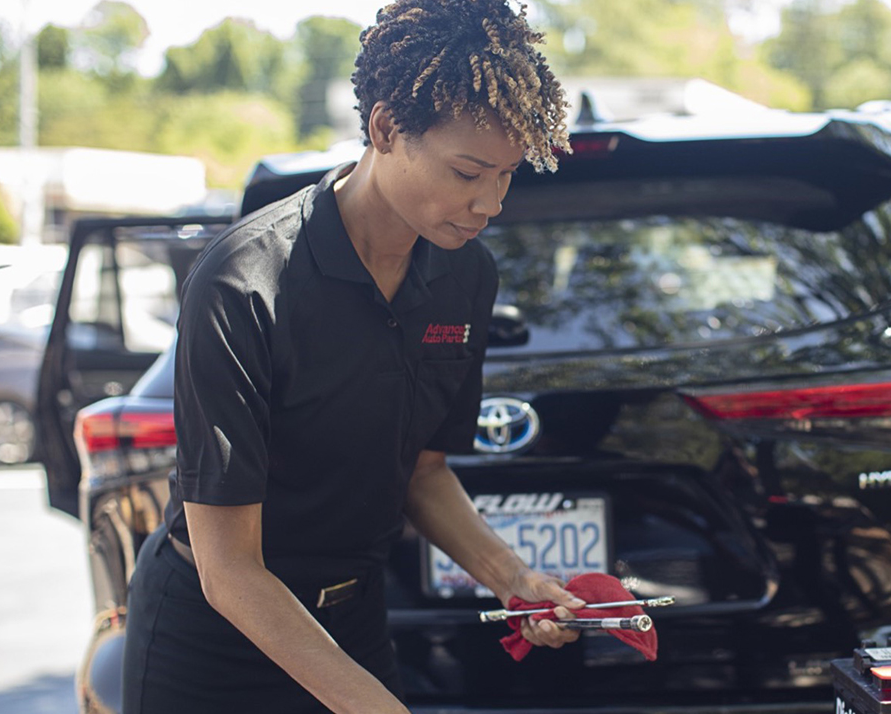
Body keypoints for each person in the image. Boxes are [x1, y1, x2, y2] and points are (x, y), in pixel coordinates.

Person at [120, 2, 580, 712]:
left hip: (350, 624)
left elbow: (422, 474)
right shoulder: (244, 281)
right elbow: (230, 567)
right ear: (386, 129)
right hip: (214, 639)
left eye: (507, 175)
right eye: (467, 173)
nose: (490, 202)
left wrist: (511, 578)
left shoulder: (466, 276)